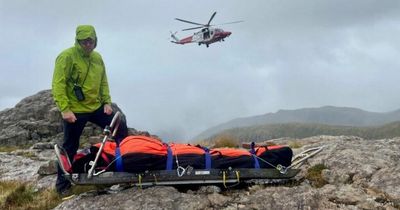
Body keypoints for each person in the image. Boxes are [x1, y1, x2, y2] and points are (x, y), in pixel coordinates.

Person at [52, 25, 128, 195]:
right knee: (70, 146)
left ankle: (124, 168)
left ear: (95, 40)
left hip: (96, 107)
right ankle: (62, 186)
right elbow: (58, 84)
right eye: (83, 41)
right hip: (75, 110)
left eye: (90, 41)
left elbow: (103, 81)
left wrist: (107, 102)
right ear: (77, 41)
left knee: (120, 127)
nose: (87, 44)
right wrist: (65, 109)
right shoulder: (66, 57)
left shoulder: (97, 58)